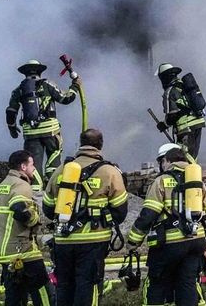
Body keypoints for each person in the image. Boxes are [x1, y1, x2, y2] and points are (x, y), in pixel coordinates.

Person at [43, 129, 128, 306]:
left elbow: (48, 209)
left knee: (64, 286)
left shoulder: (61, 170)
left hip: (63, 241)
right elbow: (120, 211)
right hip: (94, 241)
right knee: (87, 285)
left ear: (81, 144)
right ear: (100, 145)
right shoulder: (110, 172)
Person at [127, 143, 206, 306]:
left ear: (167, 161)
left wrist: (133, 242)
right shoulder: (197, 182)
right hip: (196, 242)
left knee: (157, 284)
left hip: (168, 244)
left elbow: (148, 215)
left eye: (162, 161)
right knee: (187, 283)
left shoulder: (161, 181)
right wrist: (205, 241)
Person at [0, 150, 54, 306]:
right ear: (23, 167)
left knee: (15, 298)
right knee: (44, 295)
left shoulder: (1, 187)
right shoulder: (21, 184)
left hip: (5, 253)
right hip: (25, 251)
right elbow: (19, 208)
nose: (34, 168)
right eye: (32, 165)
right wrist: (35, 221)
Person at [6, 59, 80, 190]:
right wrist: (75, 86)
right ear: (40, 72)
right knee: (54, 157)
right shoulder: (47, 85)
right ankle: (53, 189)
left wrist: (12, 128)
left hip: (31, 133)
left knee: (33, 163)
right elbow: (66, 98)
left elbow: (11, 111)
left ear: (25, 73)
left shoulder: (19, 90)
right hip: (51, 131)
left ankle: (35, 191)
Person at [156, 63, 206, 159]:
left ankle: (186, 169)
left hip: (186, 127)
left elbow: (172, 115)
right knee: (192, 155)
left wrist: (164, 125)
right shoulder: (184, 86)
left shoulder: (170, 91)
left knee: (183, 155)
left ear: (164, 77)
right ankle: (193, 168)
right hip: (198, 123)